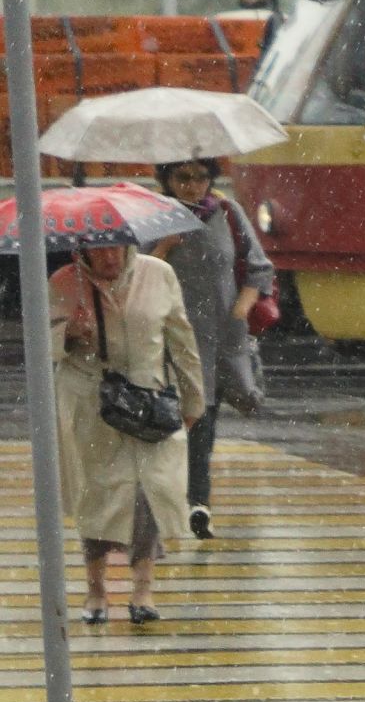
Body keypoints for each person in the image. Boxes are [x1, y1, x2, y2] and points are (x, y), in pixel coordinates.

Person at [49, 244, 206, 624]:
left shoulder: (158, 274)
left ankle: (143, 589)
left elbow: (181, 339)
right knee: (97, 493)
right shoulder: (63, 282)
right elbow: (42, 345)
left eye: (119, 246)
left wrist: (193, 399)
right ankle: (96, 589)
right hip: (90, 403)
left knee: (147, 492)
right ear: (82, 249)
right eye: (101, 248)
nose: (112, 256)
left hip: (147, 400)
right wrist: (68, 333)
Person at [146, 158, 271, 540]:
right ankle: (165, 504)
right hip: (166, 339)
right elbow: (132, 274)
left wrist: (241, 308)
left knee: (203, 421)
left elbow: (259, 267)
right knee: (167, 423)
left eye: (201, 177)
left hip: (217, 339)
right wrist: (164, 246)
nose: (192, 185)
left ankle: (198, 503)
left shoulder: (227, 212)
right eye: (182, 177)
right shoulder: (152, 215)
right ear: (165, 179)